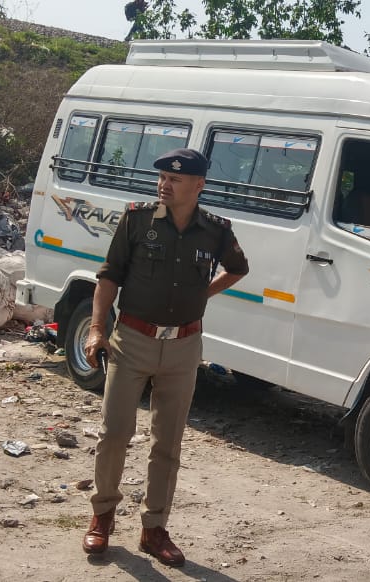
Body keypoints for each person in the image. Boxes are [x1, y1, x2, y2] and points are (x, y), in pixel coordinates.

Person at [80, 147, 249, 567]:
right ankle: (102, 516)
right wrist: (98, 329)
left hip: (183, 347)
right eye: (161, 178)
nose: (164, 185)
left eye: (174, 179)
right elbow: (109, 277)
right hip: (132, 341)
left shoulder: (216, 230)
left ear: (198, 185)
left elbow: (238, 268)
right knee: (114, 433)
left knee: (168, 444)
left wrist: (203, 293)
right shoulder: (137, 220)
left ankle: (154, 528)